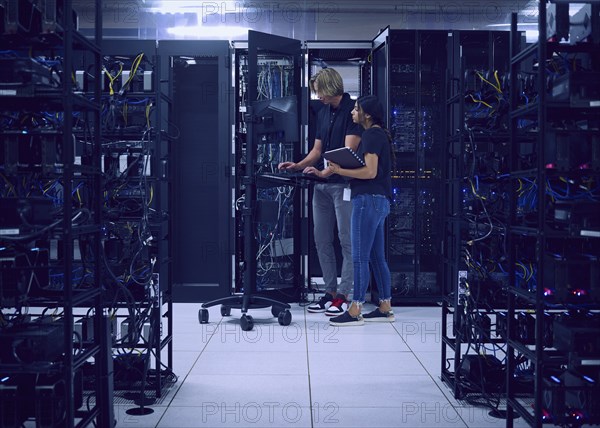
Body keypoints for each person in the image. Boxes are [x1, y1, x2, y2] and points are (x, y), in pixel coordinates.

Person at [278, 68, 362, 316]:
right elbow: (317, 151)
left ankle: (345, 295)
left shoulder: (353, 111)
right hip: (322, 187)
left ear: (332, 87)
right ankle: (329, 293)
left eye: (320, 91)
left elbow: (349, 151)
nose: (318, 97)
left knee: (346, 241)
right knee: (322, 240)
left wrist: (324, 172)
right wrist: (299, 165)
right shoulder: (323, 112)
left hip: (344, 185)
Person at [314, 95, 394, 326]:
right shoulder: (379, 134)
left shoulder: (370, 135)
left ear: (366, 115)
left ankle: (355, 309)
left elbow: (369, 172)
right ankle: (385, 306)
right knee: (377, 258)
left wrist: (341, 169)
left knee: (359, 257)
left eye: (356, 110)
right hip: (380, 201)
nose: (352, 113)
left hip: (367, 199)